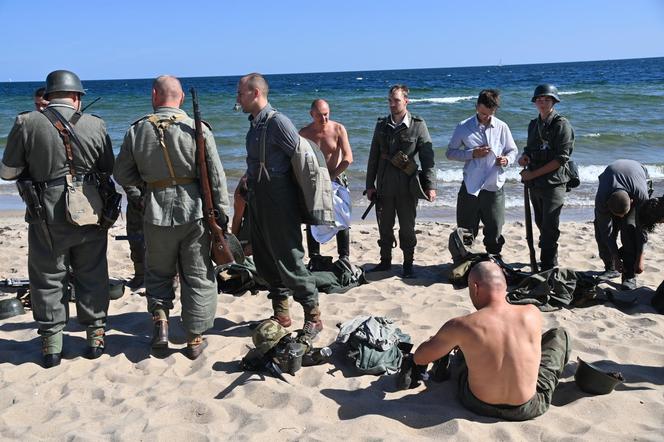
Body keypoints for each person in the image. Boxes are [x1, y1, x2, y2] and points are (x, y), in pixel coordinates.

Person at [1, 70, 114, 368]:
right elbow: (107, 168)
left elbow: (7, 171)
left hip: (45, 211)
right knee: (92, 271)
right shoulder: (96, 124)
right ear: (76, 97)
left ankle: (52, 344)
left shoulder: (27, 122)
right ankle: (95, 337)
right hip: (90, 208)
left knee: (48, 274)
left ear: (49, 96)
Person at [114, 75, 230, 359]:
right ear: (179, 98)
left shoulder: (137, 130)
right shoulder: (197, 129)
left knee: (158, 273)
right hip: (195, 212)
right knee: (198, 275)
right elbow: (215, 177)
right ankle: (194, 337)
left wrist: (140, 193)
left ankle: (161, 324)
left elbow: (121, 173)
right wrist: (223, 215)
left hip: (155, 210)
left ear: (155, 95)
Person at [413, 261, 571, 421]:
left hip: (477, 403)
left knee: (464, 347)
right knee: (559, 334)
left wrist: (433, 342)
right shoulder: (532, 313)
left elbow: (420, 358)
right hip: (528, 407)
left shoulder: (462, 325)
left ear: (475, 287)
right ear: (504, 285)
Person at [235, 73, 322, 338]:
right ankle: (281, 313)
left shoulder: (278, 123)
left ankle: (313, 316)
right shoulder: (255, 125)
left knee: (290, 259)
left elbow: (303, 160)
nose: (237, 98)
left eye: (240, 93)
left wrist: (301, 200)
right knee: (265, 259)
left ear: (255, 93)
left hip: (279, 200)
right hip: (259, 199)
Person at [365, 84, 436, 278]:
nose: (392, 104)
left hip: (407, 187)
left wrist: (430, 186)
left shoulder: (418, 125)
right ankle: (385, 262)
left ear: (406, 101)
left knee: (407, 227)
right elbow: (373, 157)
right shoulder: (381, 125)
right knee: (384, 226)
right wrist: (370, 185)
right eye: (390, 100)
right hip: (385, 186)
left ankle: (408, 264)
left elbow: (428, 158)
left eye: (396, 100)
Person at [446, 89, 518, 255]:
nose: (486, 117)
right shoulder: (463, 127)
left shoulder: (502, 126)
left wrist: (507, 160)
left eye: (490, 113)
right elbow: (450, 153)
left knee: (495, 230)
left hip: (494, 186)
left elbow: (512, 150)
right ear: (477, 106)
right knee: (465, 231)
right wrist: (472, 154)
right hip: (470, 186)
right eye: (483, 113)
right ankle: (464, 263)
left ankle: (494, 262)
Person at [518, 84, 575, 270]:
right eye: (539, 99)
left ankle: (549, 266)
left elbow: (561, 158)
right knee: (541, 223)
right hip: (536, 184)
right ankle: (548, 261)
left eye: (547, 99)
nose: (542, 102)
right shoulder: (534, 124)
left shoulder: (561, 124)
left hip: (554, 183)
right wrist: (524, 157)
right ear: (535, 102)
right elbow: (529, 149)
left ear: (554, 101)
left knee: (550, 226)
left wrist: (532, 174)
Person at [299, 99, 353, 265]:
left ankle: (344, 256)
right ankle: (315, 255)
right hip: (314, 181)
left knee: (342, 216)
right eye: (319, 116)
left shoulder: (338, 129)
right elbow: (297, 159)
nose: (324, 119)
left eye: (326, 114)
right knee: (312, 218)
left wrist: (332, 176)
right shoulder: (304, 133)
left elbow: (348, 158)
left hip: (335, 177)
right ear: (311, 114)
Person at [594, 159, 654, 290]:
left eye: (622, 214)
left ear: (632, 202)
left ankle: (629, 276)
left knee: (629, 229)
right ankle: (611, 267)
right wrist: (615, 257)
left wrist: (640, 258)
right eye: (616, 215)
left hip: (637, 177)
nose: (619, 218)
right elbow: (606, 232)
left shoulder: (641, 196)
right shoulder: (601, 199)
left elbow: (642, 229)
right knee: (600, 230)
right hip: (611, 180)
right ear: (607, 206)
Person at [123, 184, 146, 289]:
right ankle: (140, 275)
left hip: (163, 196)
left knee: (168, 241)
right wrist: (137, 197)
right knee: (136, 241)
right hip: (136, 204)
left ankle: (172, 276)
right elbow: (123, 175)